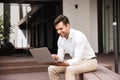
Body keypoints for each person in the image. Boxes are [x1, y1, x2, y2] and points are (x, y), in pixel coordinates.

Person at [47, 15, 97, 80]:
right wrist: (56, 58)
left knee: (69, 69)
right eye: (57, 29)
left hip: (90, 62)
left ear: (68, 26)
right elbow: (60, 58)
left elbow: (77, 60)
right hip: (77, 62)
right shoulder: (60, 39)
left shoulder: (78, 36)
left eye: (61, 29)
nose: (58, 32)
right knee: (51, 69)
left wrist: (64, 63)